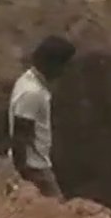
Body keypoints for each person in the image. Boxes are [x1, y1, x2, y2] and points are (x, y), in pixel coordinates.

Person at [9, 35, 77, 199]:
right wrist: (23, 174)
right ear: (52, 63)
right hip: (35, 167)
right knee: (57, 209)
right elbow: (20, 135)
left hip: (35, 164)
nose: (64, 71)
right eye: (64, 65)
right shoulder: (32, 93)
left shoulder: (28, 81)